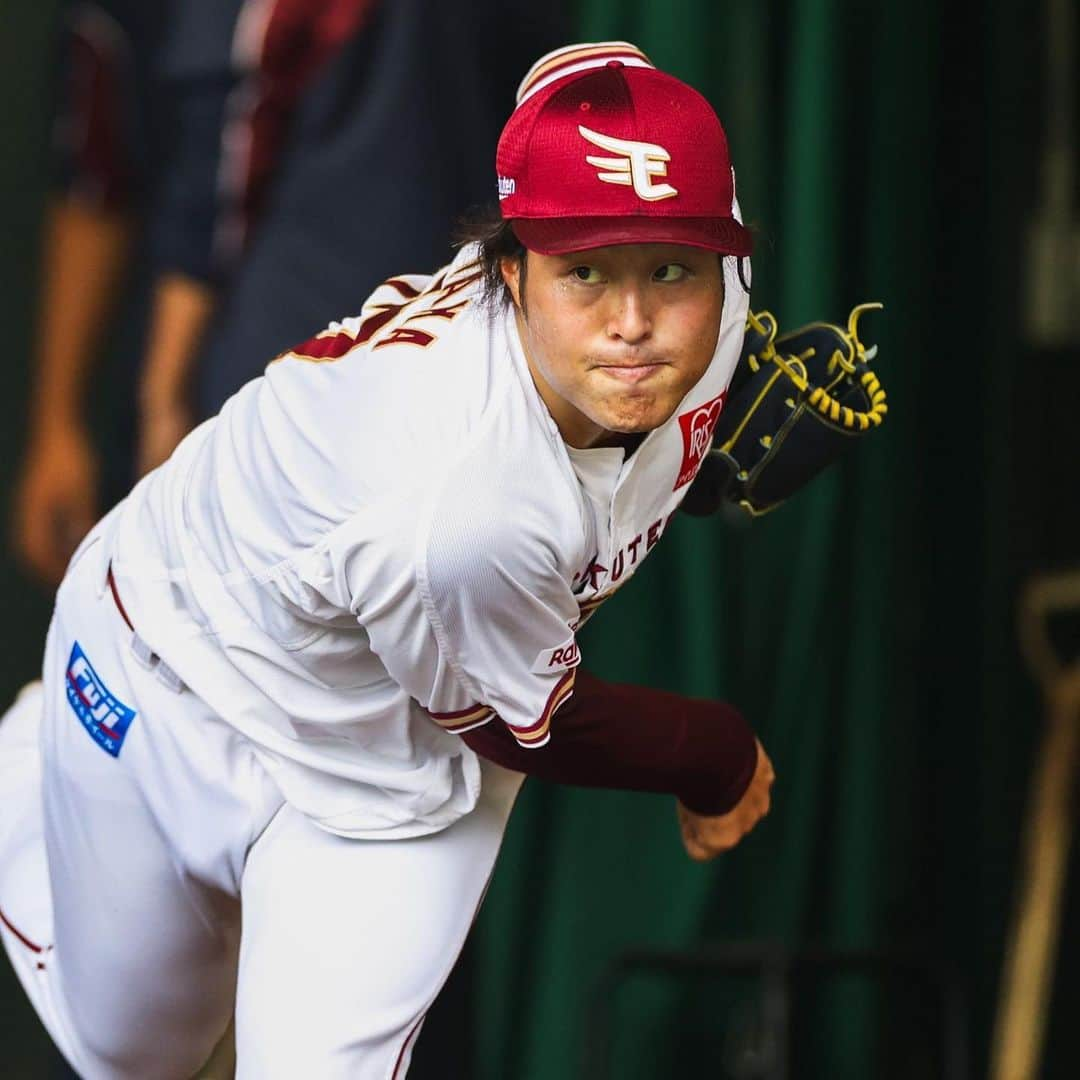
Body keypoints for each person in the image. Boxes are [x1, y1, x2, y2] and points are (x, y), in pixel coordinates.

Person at [0, 41, 774, 1078]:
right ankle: (24, 765)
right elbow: (531, 725)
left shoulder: (710, 326)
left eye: (670, 267)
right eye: (584, 269)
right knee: (135, 1059)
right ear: (512, 272)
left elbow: (578, 90)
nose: (633, 324)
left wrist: (689, 467)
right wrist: (713, 753)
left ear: (727, 263)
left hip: (392, 754)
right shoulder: (464, 501)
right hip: (171, 655)